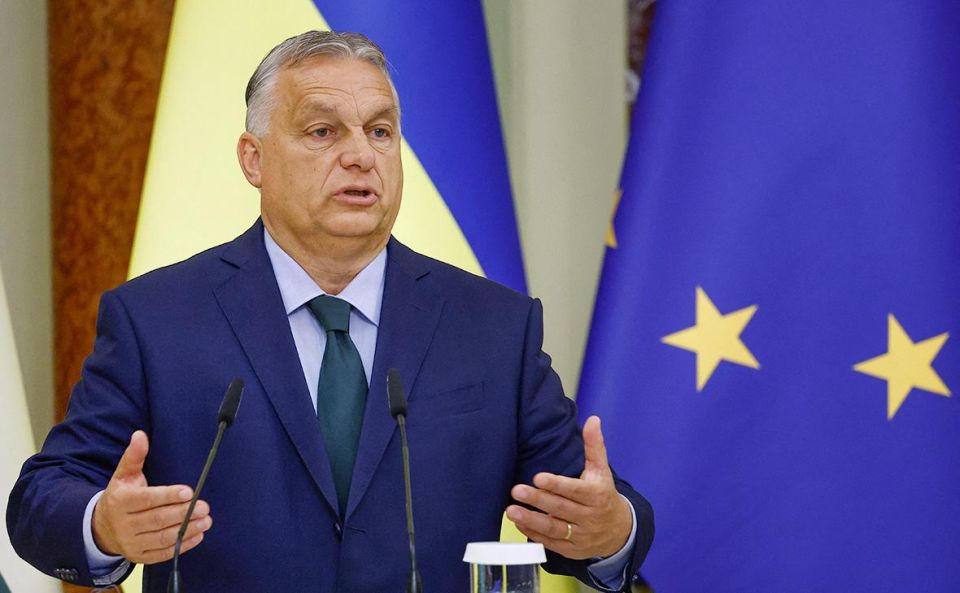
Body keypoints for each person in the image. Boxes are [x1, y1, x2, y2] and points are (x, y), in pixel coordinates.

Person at [7, 31, 653, 592]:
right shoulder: (157, 319)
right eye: (323, 131)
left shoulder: (492, 326)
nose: (360, 156)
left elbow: (586, 506)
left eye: (380, 131)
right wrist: (103, 524)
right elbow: (44, 494)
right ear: (254, 160)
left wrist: (609, 528)